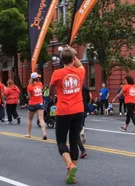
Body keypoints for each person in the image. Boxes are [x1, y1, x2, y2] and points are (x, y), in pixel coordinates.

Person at [49, 46, 85, 185]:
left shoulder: (57, 73)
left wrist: (53, 94)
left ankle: (70, 165)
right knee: (74, 141)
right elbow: (80, 65)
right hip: (78, 110)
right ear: (73, 59)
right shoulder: (80, 72)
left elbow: (52, 87)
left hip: (64, 111)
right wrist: (75, 59)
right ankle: (72, 176)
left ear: (61, 60)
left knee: (61, 142)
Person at [26, 72, 47, 140]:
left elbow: (29, 96)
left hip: (32, 103)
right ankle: (44, 133)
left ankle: (29, 134)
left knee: (30, 119)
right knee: (41, 119)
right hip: (40, 103)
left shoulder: (29, 86)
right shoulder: (40, 84)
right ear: (37, 78)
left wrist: (27, 97)